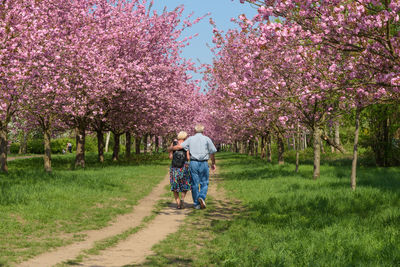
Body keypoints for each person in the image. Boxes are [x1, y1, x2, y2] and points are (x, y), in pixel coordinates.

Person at [169, 124, 217, 209]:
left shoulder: (190, 139)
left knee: (194, 183)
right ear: (203, 131)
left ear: (194, 131)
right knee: (204, 182)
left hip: (193, 163)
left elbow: (180, 146)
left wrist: (170, 149)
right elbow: (212, 152)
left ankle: (196, 204)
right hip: (204, 163)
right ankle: (201, 197)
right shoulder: (207, 139)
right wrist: (213, 163)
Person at [169, 131, 191, 209]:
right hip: (184, 166)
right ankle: (182, 199)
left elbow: (170, 157)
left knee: (175, 185)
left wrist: (172, 149)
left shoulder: (173, 144)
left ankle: (178, 203)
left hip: (174, 167)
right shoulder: (187, 144)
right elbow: (188, 158)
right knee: (185, 184)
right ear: (185, 137)